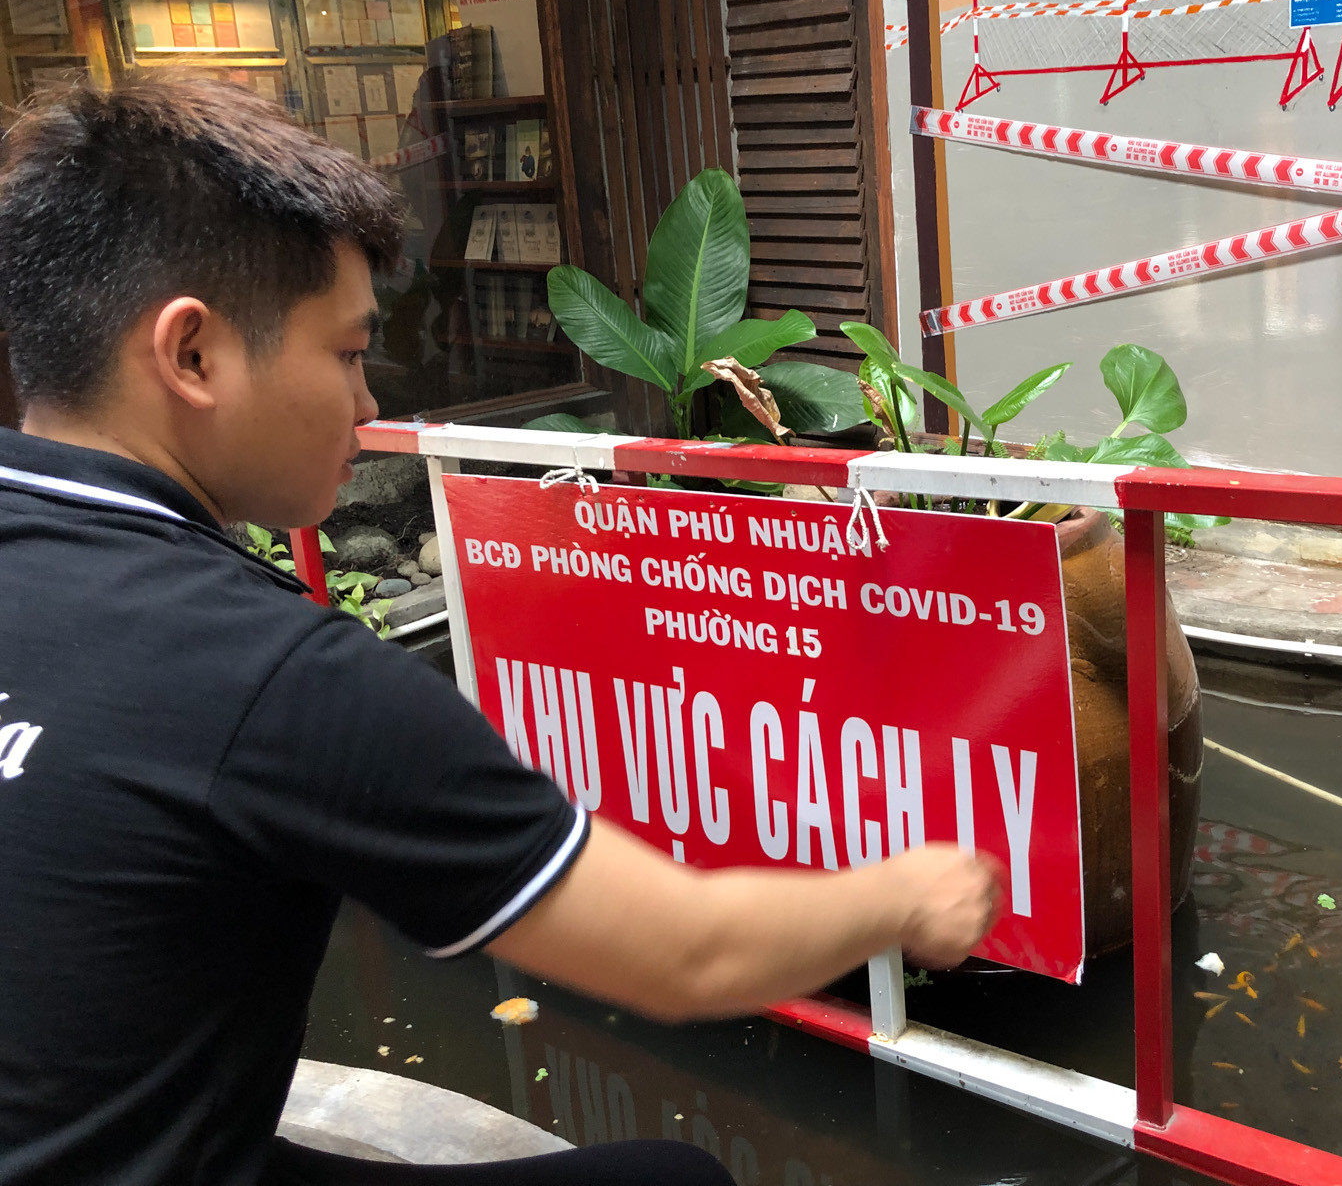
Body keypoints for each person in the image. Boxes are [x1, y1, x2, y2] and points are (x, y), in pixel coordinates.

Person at [0, 78, 1001, 1186]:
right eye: (346, 353)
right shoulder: (266, 675)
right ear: (193, 356)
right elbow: (688, 952)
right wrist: (911, 893)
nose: (368, 405)